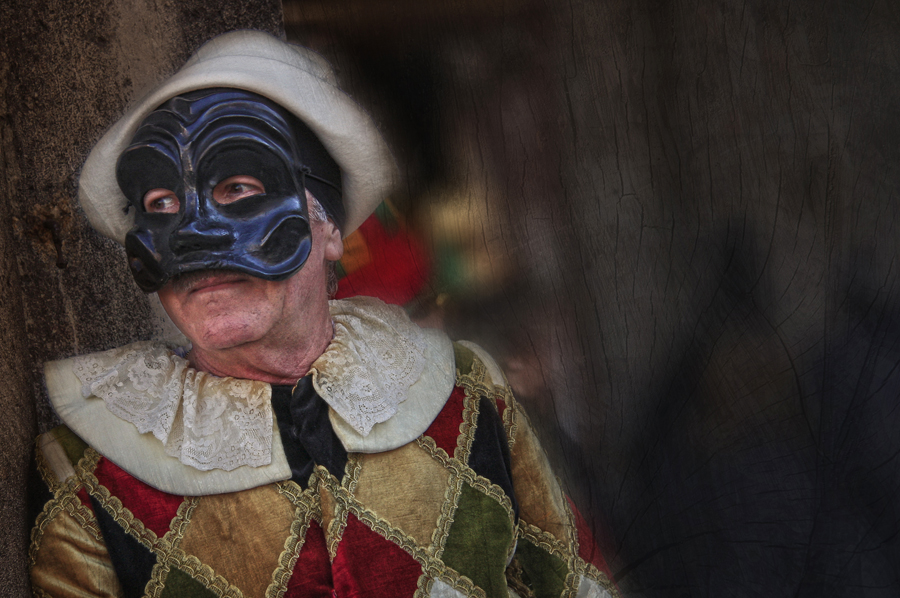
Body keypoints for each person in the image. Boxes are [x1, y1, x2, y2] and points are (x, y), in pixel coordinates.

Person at [28, 30, 618, 598]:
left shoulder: (465, 392)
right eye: (161, 204)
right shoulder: (88, 469)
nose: (194, 239)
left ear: (329, 227)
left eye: (237, 188)